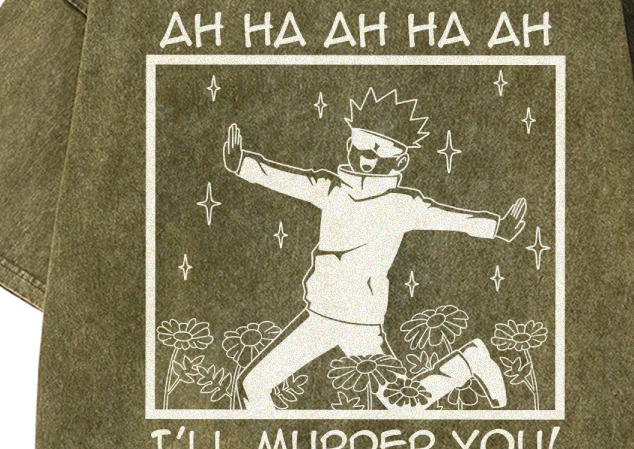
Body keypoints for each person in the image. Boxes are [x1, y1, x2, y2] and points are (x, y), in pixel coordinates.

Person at [222, 87, 528, 411]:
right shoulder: (331, 190)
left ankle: (469, 361)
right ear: (349, 146)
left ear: (400, 160)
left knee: (404, 405)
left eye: (379, 150)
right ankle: (273, 444)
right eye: (361, 146)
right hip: (319, 315)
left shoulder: (402, 204)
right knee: (252, 386)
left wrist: (497, 227)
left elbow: (449, 218)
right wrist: (242, 164)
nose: (367, 157)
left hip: (360, 325)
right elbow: (287, 180)